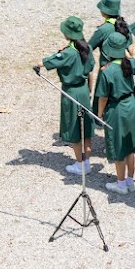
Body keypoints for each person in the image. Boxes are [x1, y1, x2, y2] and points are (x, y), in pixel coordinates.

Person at [42, 17, 97, 175]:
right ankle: (86, 161)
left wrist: (40, 64)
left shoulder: (68, 53)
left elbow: (50, 62)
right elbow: (90, 70)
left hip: (71, 92)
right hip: (83, 91)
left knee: (74, 128)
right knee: (85, 128)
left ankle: (80, 164)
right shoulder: (86, 48)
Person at [94, 31, 135, 195]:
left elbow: (103, 97)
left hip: (117, 108)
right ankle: (130, 180)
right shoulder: (130, 63)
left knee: (119, 146)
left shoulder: (107, 71)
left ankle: (121, 183)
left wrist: (99, 114)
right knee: (131, 146)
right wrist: (127, 54)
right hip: (131, 105)